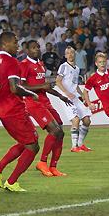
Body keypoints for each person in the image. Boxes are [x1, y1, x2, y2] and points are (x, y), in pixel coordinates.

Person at [0, 32, 41, 192]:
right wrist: (31, 94)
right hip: (14, 110)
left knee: (27, 141)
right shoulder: (11, 61)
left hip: (3, 110)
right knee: (33, 146)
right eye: (15, 43)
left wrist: (1, 90)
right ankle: (12, 182)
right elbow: (15, 88)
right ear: (5, 44)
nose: (17, 46)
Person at [20, 40, 71, 177]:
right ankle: (42, 162)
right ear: (27, 50)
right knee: (55, 130)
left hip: (45, 102)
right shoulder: (24, 64)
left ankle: (53, 167)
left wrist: (60, 96)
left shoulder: (40, 64)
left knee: (60, 132)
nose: (36, 49)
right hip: (33, 102)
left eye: (38, 47)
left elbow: (45, 86)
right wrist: (42, 86)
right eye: (33, 48)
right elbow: (21, 86)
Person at [55, 46, 92, 152]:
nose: (70, 55)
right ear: (65, 55)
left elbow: (75, 84)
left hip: (74, 97)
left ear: (74, 54)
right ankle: (74, 146)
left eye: (72, 52)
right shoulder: (63, 66)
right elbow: (58, 81)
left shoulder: (77, 69)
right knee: (76, 120)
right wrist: (66, 93)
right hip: (66, 98)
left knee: (87, 120)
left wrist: (82, 94)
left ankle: (80, 144)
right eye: (68, 53)